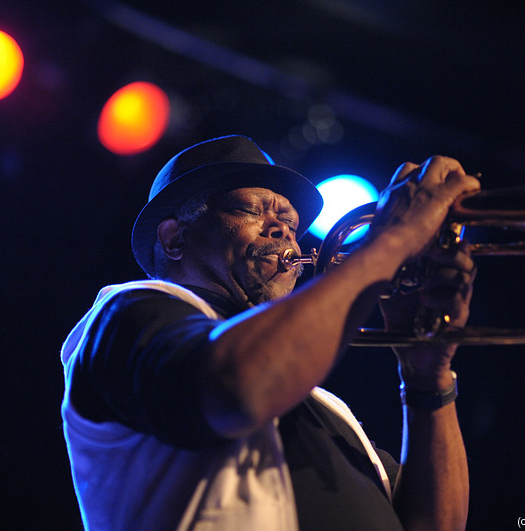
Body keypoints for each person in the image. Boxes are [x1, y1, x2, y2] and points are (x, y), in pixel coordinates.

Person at [60, 135, 480, 530]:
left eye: (290, 224)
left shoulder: (328, 408)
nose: (283, 232)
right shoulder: (124, 315)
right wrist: (394, 240)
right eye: (251, 210)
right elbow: (237, 389)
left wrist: (428, 377)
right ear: (175, 238)